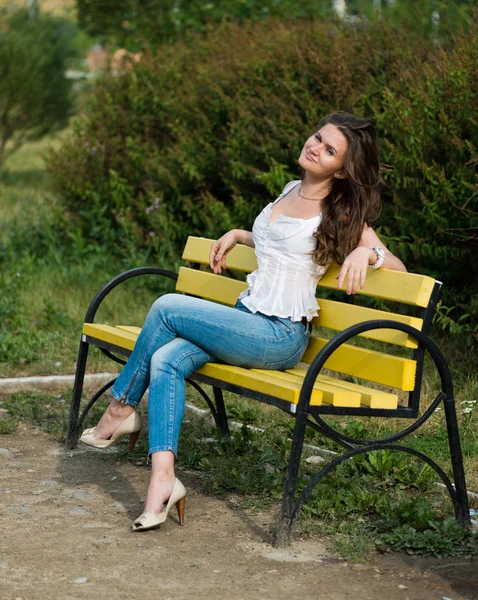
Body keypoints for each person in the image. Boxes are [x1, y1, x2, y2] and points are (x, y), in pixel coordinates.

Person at [79, 111, 407, 531]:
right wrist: (238, 234)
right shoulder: (291, 190)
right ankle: (163, 481)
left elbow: (398, 269)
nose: (315, 147)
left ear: (342, 169)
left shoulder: (340, 213)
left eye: (329, 150)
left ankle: (120, 408)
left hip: (280, 335)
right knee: (166, 360)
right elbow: (280, 245)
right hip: (246, 320)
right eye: (317, 137)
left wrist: (367, 253)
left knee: (166, 306)